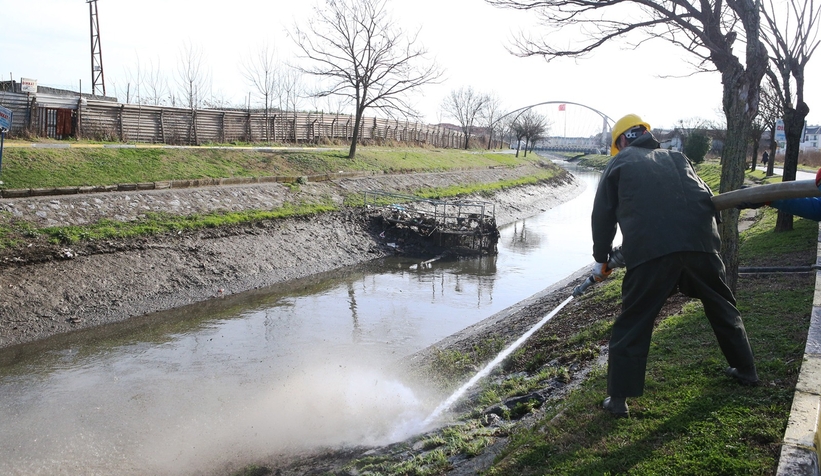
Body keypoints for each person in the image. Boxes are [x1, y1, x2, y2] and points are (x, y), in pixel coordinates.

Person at [591, 114, 759, 418]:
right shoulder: (679, 158)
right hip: (702, 245)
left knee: (634, 321)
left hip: (652, 252)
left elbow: (603, 214)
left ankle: (618, 400)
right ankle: (746, 369)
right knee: (722, 306)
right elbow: (705, 197)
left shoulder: (620, 162)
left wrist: (601, 258)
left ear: (623, 140)